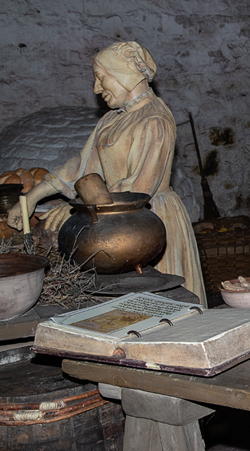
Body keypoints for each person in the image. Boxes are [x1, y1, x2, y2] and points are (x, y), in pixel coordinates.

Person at [6, 41, 207, 303]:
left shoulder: (154, 120)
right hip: (111, 219)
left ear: (124, 74)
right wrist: (33, 195)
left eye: (101, 79)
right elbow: (82, 165)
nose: (96, 89)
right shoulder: (112, 119)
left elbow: (138, 189)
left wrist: (76, 210)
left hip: (150, 221)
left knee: (163, 301)